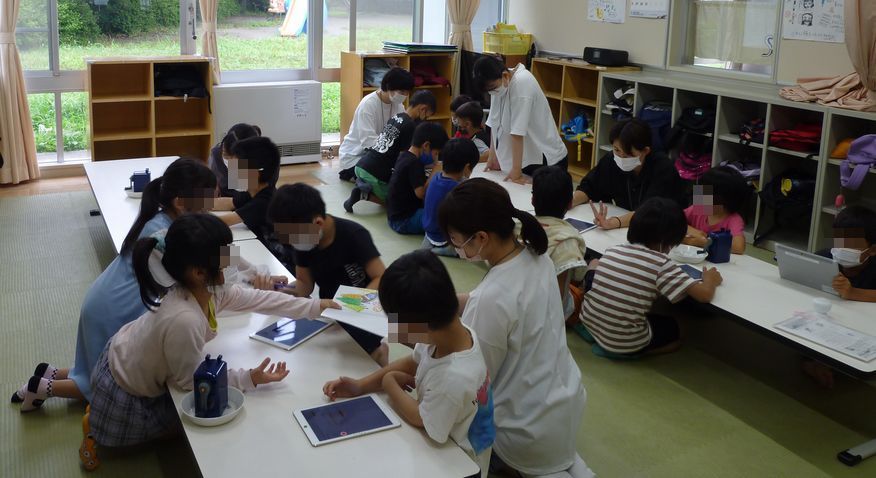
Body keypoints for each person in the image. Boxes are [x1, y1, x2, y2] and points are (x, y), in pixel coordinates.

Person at [80, 213, 337, 451]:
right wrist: (250, 378)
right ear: (199, 272)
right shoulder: (185, 319)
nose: (231, 263)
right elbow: (189, 383)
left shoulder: (206, 290)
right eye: (224, 260)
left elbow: (260, 299)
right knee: (197, 426)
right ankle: (94, 426)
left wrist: (315, 306)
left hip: (122, 356)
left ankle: (95, 410)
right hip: (125, 394)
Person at [10, 159, 224, 410]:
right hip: (115, 309)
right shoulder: (168, 235)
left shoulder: (160, 220)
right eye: (204, 210)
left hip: (103, 298)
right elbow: (206, 264)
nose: (207, 217)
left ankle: (52, 373)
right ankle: (42, 387)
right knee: (102, 380)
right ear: (180, 203)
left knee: (95, 364)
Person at [438, 178, 594, 478]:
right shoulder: (537, 256)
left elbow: (474, 377)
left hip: (522, 428)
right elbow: (514, 306)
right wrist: (454, 302)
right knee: (562, 461)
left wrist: (414, 341)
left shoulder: (492, 298)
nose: (455, 248)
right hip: (566, 399)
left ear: (481, 237)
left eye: (455, 240)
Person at [322, 250, 495, 478]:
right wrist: (361, 385)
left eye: (396, 324)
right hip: (443, 430)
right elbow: (413, 361)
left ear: (420, 326)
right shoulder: (452, 331)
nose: (394, 332)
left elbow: (422, 420)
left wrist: (388, 382)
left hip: (457, 462)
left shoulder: (454, 378)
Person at [579, 197, 723, 357]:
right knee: (679, 332)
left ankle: (601, 337)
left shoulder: (614, 249)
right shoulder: (661, 263)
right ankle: (632, 352)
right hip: (622, 342)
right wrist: (710, 280)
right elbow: (704, 295)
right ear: (668, 240)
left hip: (589, 322)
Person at [267, 183, 389, 365]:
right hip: (332, 312)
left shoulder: (353, 235)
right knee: (335, 360)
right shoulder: (303, 240)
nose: (293, 244)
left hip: (365, 311)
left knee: (366, 360)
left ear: (318, 223)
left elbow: (381, 277)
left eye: (293, 237)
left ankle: (380, 352)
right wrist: (276, 288)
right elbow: (304, 285)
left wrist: (353, 304)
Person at [572, 118, 687, 230]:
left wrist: (614, 222)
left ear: (645, 151)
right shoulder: (611, 160)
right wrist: (569, 202)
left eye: (628, 154)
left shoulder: (663, 168)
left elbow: (649, 212)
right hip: (628, 224)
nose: (621, 157)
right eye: (616, 150)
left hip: (665, 229)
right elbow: (589, 187)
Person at [473, 55, 567, 183]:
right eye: (488, 90)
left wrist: (516, 172)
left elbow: (517, 132)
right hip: (524, 159)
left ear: (505, 75)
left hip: (547, 160)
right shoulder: (497, 83)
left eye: (492, 88)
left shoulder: (522, 83)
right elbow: (494, 123)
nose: (492, 92)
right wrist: (492, 157)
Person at [345, 90, 437, 211]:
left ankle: (366, 184)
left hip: (362, 165)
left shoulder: (397, 117)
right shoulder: (410, 126)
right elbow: (404, 160)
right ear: (423, 108)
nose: (425, 119)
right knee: (397, 204)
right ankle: (363, 194)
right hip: (373, 173)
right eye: (427, 115)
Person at [214, 136, 286, 263]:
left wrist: (188, 217)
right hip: (260, 248)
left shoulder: (265, 201)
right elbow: (227, 203)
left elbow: (223, 221)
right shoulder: (253, 191)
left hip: (276, 260)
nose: (232, 173)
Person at [531, 166, 589, 323]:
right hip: (550, 314)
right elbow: (577, 276)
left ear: (532, 200)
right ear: (570, 204)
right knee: (582, 292)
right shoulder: (570, 239)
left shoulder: (520, 227)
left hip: (518, 300)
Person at [338, 67, 415, 181]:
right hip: (356, 156)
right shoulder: (368, 104)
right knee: (390, 176)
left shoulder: (397, 104)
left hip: (382, 153)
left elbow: (403, 130)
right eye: (402, 92)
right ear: (389, 87)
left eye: (407, 92)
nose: (405, 96)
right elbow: (367, 141)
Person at [386, 122, 449, 235]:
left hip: (394, 217)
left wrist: (432, 166)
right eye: (436, 153)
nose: (435, 158)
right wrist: (434, 172)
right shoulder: (414, 164)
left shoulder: (405, 156)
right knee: (444, 217)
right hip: (404, 220)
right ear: (426, 146)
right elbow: (421, 193)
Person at [422, 138, 479, 256]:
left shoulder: (436, 178)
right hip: (444, 240)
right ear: (467, 167)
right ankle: (449, 250)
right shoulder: (458, 190)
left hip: (429, 233)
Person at [682, 166, 750, 254]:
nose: (698, 195)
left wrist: (702, 242)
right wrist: (691, 230)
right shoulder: (699, 209)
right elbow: (672, 219)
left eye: (706, 192)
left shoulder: (733, 219)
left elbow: (738, 247)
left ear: (724, 199)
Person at [828, 205, 876, 302]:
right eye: (839, 240)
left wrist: (853, 293)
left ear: (872, 250)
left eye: (853, 243)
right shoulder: (823, 258)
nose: (843, 248)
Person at [208, 123, 261, 202]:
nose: (228, 159)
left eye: (231, 157)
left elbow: (247, 198)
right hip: (225, 200)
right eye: (225, 153)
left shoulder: (262, 161)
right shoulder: (216, 153)